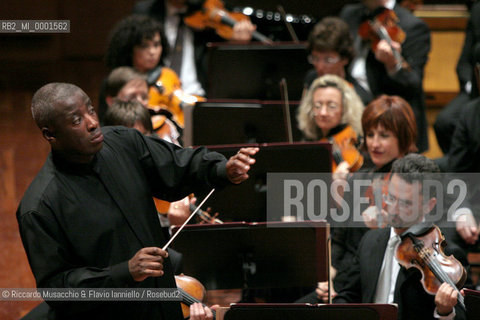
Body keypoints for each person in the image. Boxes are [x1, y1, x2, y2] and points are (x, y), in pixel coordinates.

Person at [16, 82, 259, 320]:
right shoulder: (39, 208)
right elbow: (59, 289)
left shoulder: (124, 142)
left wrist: (222, 169)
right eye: (76, 120)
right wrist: (126, 272)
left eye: (90, 110)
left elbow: (177, 165)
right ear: (50, 134)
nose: (92, 123)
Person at [299, 94, 418, 303]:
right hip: (344, 281)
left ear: (403, 137)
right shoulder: (359, 178)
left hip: (377, 283)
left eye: (384, 135)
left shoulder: (413, 183)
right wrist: (329, 279)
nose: (374, 143)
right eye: (370, 135)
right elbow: (339, 239)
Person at [333, 154, 469, 320]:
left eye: (406, 203)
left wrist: (445, 312)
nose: (394, 210)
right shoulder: (369, 241)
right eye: (391, 198)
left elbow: (465, 315)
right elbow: (348, 297)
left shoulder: (448, 257)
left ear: (429, 205)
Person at [340, 0, 431, 152]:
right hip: (350, 100)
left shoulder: (413, 25)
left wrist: (392, 64)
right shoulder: (349, 14)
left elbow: (413, 83)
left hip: (388, 115)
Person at [133, 0, 256, 97]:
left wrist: (235, 44)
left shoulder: (209, 11)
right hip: (157, 94)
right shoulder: (145, 11)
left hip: (199, 96)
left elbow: (228, 69)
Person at [433, 1, 480, 155]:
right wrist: (471, 85)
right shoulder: (478, 10)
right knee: (444, 122)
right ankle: (462, 166)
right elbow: (464, 63)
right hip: (474, 90)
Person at [297, 74, 364, 174]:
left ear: (345, 109)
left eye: (332, 106)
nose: (323, 112)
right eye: (318, 105)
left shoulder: (357, 143)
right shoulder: (307, 143)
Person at [303, 17, 370, 104]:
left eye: (328, 60)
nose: (320, 66)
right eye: (315, 58)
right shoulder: (311, 79)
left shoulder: (359, 96)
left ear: (344, 59)